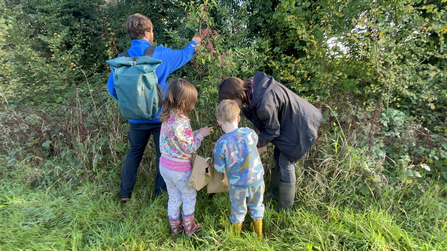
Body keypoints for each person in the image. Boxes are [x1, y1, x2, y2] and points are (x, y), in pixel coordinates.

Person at [107, 13, 202, 201]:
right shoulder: (160, 54)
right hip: (160, 117)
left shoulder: (121, 59)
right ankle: (160, 195)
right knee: (163, 155)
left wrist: (133, 102)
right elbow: (185, 55)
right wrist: (194, 42)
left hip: (135, 118)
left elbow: (113, 89)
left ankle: (125, 194)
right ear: (147, 31)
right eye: (151, 31)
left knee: (134, 153)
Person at [217, 72, 322, 213]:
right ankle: (274, 193)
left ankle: (285, 209)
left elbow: (273, 130)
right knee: (278, 157)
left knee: (286, 163)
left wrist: (250, 145)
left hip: (301, 125)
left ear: (236, 95)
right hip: (290, 123)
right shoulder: (254, 89)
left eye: (230, 102)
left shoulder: (263, 102)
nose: (231, 106)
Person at [159, 78, 213, 237]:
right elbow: (190, 147)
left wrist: (196, 133)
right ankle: (190, 229)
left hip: (165, 165)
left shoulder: (167, 117)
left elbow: (177, 140)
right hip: (180, 169)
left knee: (174, 197)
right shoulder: (181, 122)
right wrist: (200, 137)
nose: (193, 105)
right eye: (192, 102)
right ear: (183, 103)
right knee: (189, 196)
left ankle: (175, 229)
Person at [213, 99, 264, 237]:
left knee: (238, 209)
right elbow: (255, 143)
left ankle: (235, 237)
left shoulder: (221, 143)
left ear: (219, 122)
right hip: (257, 180)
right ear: (239, 118)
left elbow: (219, 167)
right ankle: (259, 235)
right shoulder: (250, 133)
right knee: (257, 205)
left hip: (237, 184)